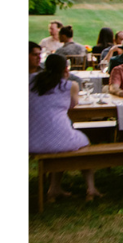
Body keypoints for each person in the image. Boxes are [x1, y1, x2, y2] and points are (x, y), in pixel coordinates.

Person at [29, 55, 97, 203]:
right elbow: (72, 105)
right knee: (84, 142)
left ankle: (54, 188)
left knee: (58, 139)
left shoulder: (31, 80)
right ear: (66, 69)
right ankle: (91, 187)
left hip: (31, 140)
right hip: (58, 139)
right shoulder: (70, 85)